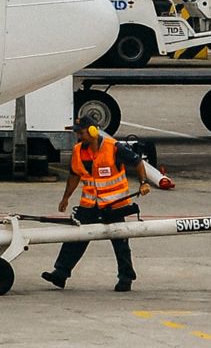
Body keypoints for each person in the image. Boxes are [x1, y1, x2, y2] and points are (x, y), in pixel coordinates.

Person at [41, 116, 174, 291]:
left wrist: (143, 183)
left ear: (93, 131)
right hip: (89, 205)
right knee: (75, 238)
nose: (79, 137)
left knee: (120, 241)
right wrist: (65, 198)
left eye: (81, 133)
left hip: (115, 205)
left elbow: (138, 163)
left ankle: (126, 278)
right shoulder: (78, 151)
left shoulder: (114, 148)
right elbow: (74, 176)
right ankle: (60, 273)